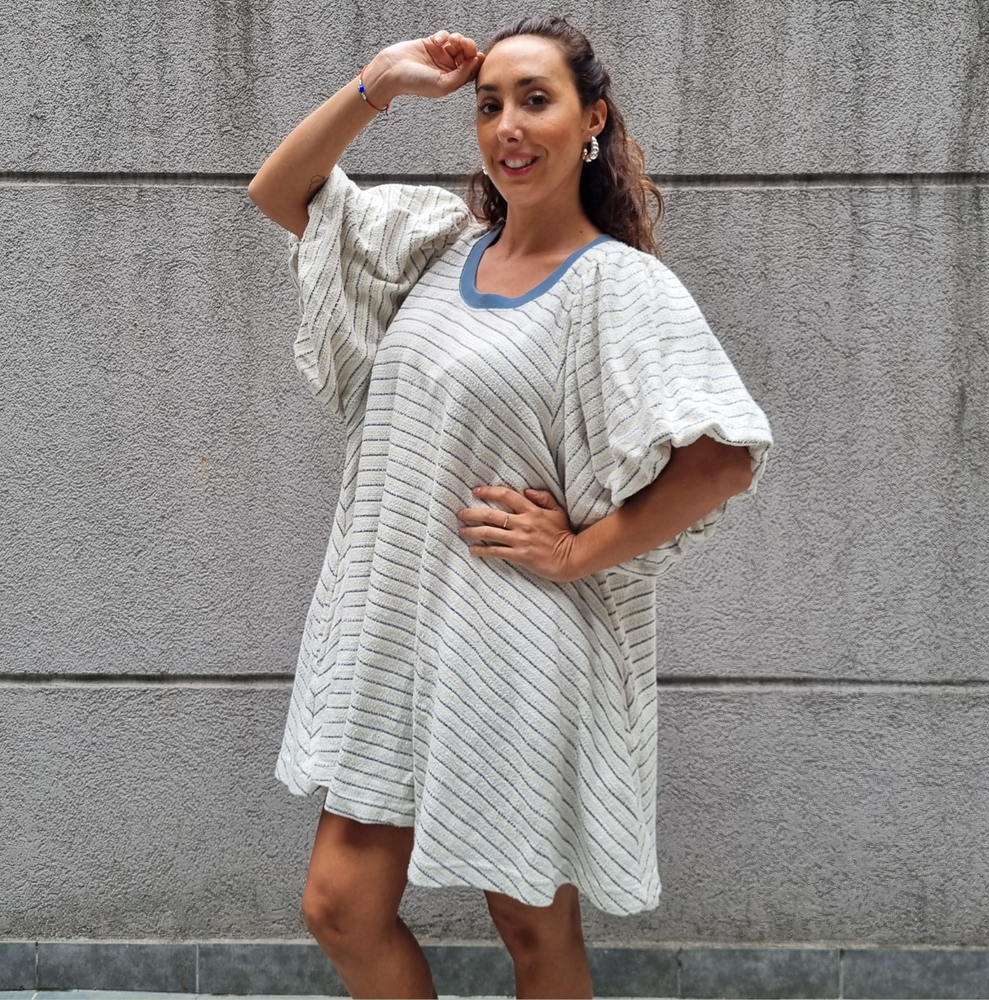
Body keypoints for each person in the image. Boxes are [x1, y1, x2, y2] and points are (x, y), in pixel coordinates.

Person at [248, 14, 773, 1000]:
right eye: (490, 105)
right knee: (340, 905)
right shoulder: (437, 246)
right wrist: (380, 82)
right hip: (398, 629)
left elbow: (721, 461)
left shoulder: (619, 286)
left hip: (521, 645)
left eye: (536, 99)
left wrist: (576, 553)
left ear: (592, 120)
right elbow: (282, 193)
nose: (508, 126)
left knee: (530, 922)